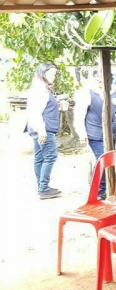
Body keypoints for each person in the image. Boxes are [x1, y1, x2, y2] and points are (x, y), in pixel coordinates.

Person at [73, 68, 116, 199]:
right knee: (103, 159)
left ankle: (105, 189)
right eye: (99, 78)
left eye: (105, 78)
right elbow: (79, 114)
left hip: (111, 132)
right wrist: (81, 133)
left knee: (110, 160)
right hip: (95, 132)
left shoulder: (114, 91)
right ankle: (98, 190)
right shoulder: (88, 92)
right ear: (95, 78)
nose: (102, 81)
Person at [26, 63, 62, 199]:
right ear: (43, 73)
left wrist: (58, 105)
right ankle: (43, 188)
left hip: (39, 128)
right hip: (43, 129)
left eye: (54, 74)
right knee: (50, 156)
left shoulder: (41, 87)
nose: (54, 76)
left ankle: (41, 186)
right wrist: (41, 130)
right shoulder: (40, 89)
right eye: (52, 74)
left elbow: (44, 108)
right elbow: (35, 111)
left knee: (40, 158)